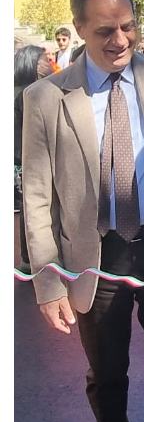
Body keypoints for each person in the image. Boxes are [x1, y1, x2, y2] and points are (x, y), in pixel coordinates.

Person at [21, 0, 144, 422]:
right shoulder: (44, 98)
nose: (120, 40)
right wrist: (47, 282)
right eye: (105, 30)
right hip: (95, 257)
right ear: (79, 28)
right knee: (106, 377)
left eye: (128, 26)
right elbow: (38, 195)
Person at [14, 45, 54, 273]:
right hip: (27, 160)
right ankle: (32, 259)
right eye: (43, 59)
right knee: (32, 209)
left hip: (22, 160)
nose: (48, 62)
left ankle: (28, 259)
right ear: (32, 63)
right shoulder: (29, 93)